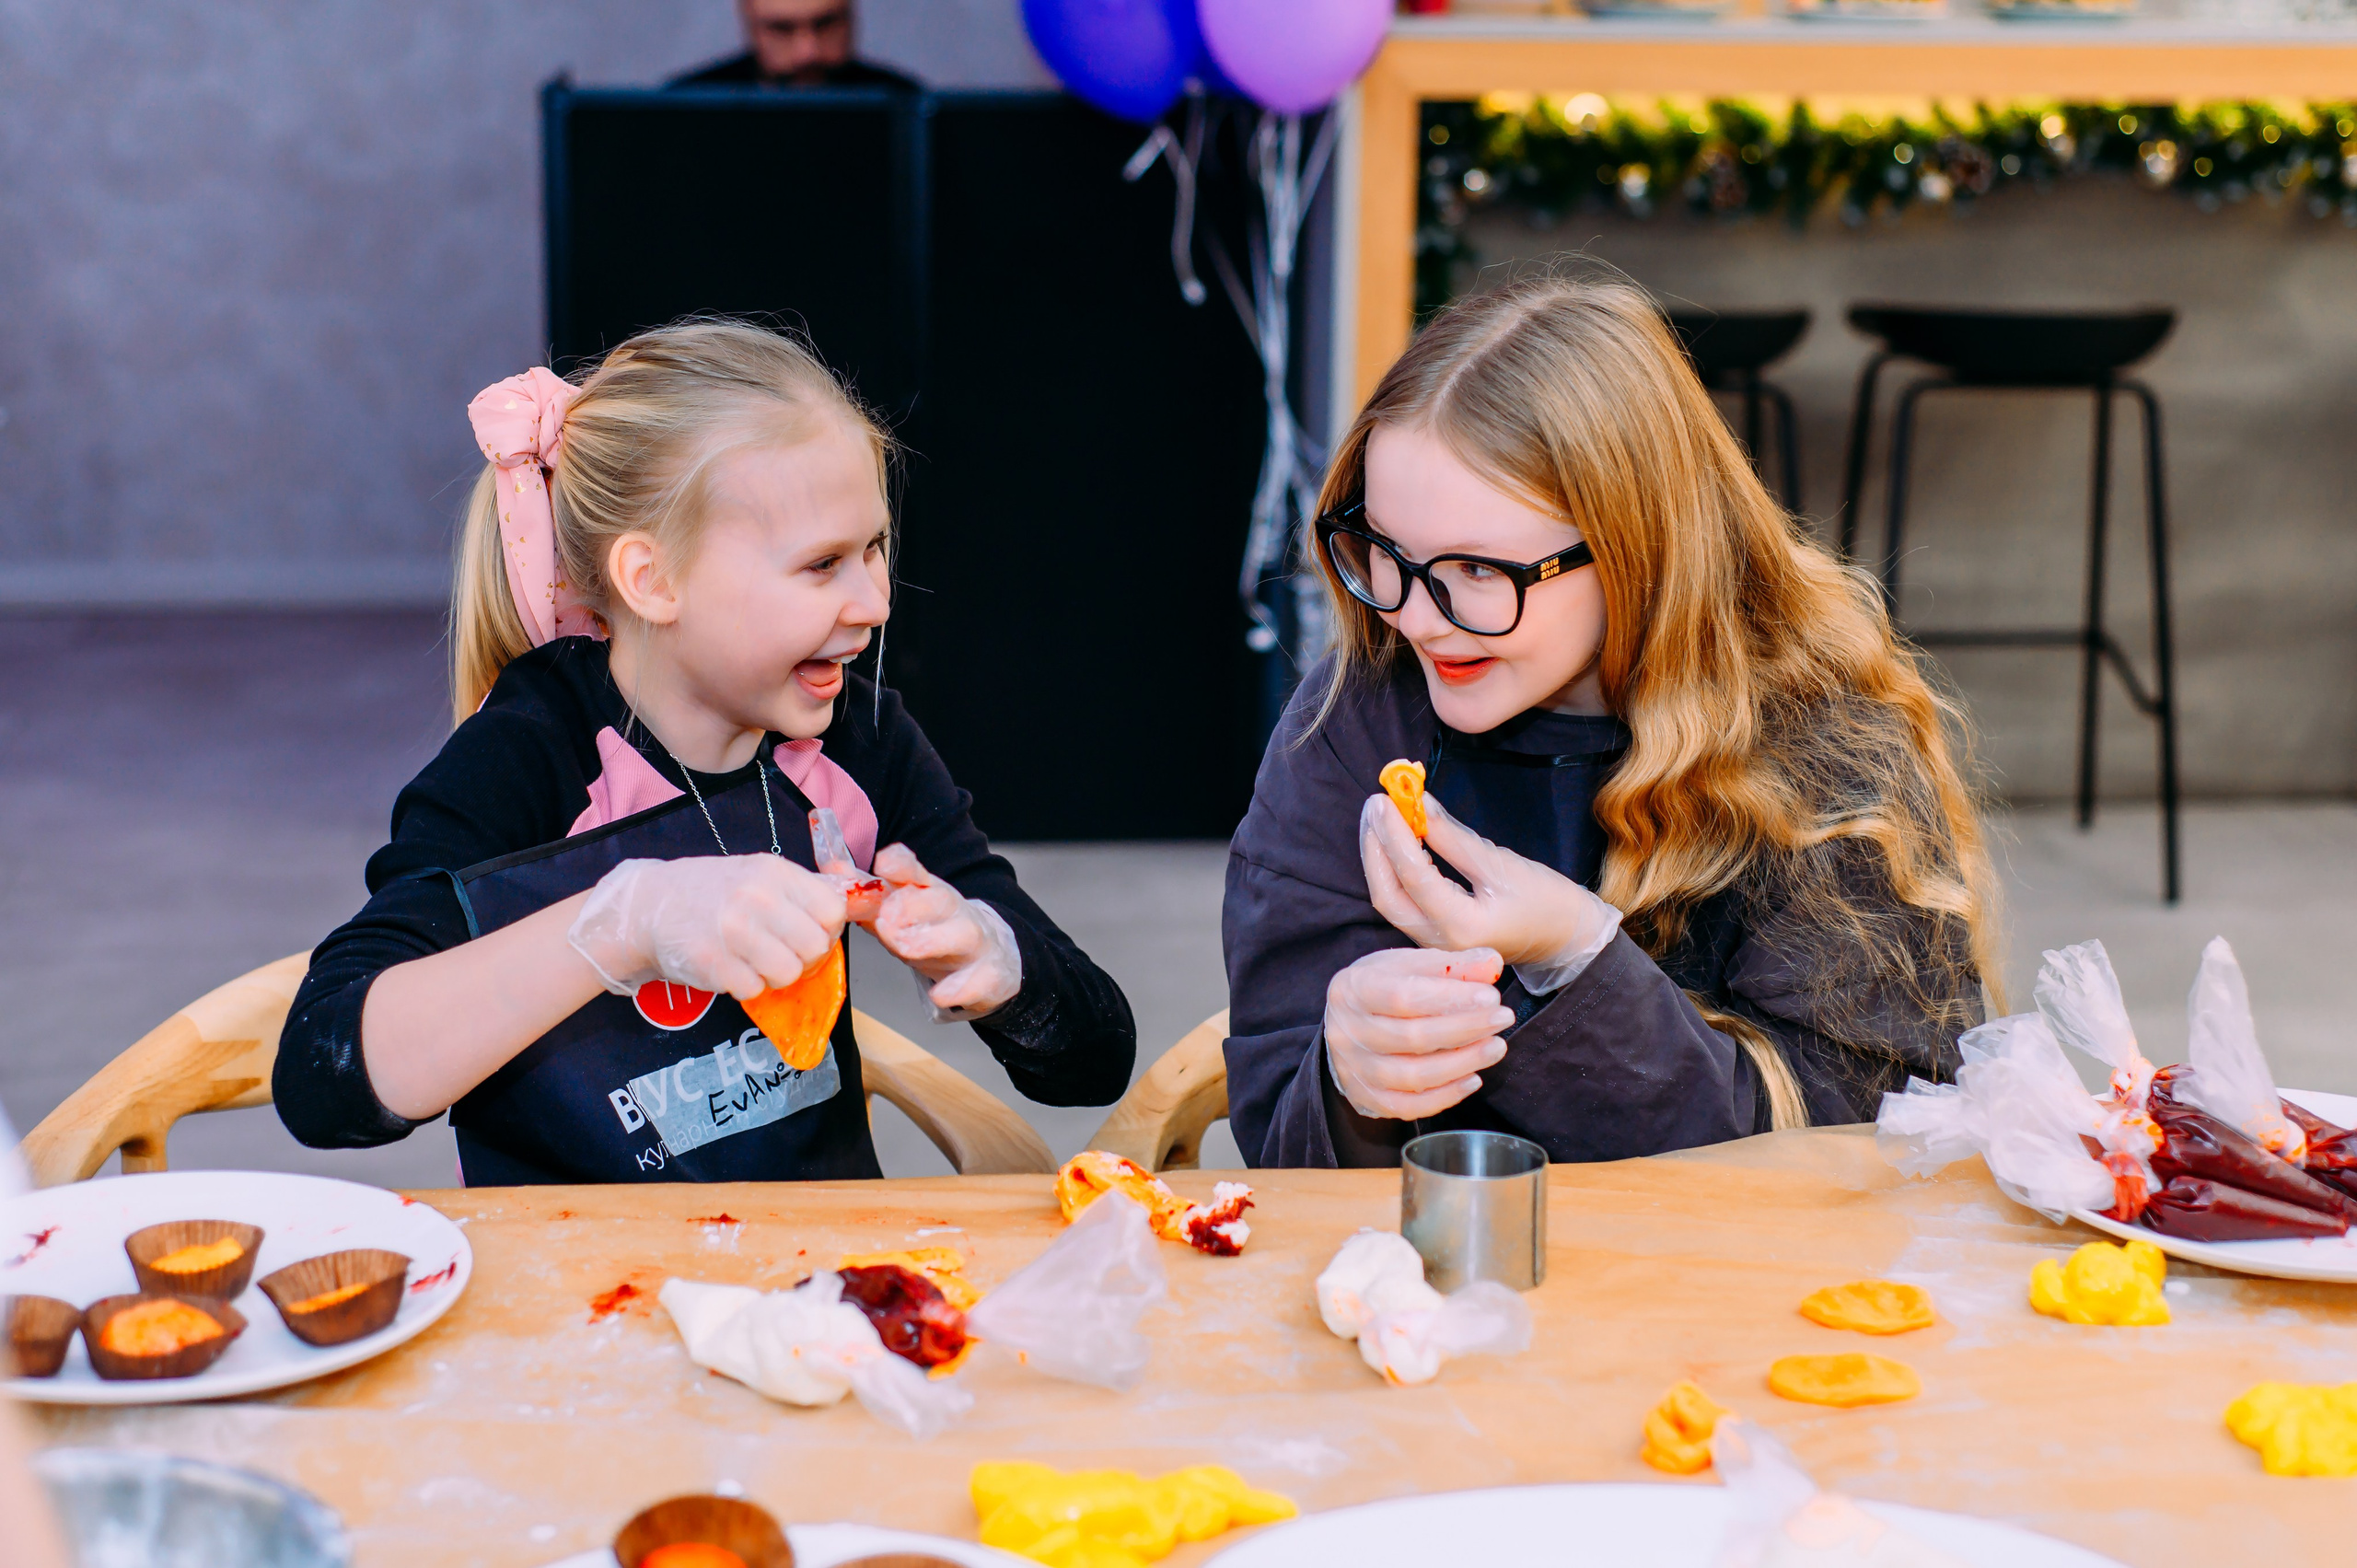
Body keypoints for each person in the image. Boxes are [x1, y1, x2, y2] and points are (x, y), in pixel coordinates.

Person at [275, 321, 1132, 1183]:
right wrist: (616, 928)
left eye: (874, 548)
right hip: (574, 1262)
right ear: (653, 580)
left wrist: (996, 961)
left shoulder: (858, 743)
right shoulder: (526, 757)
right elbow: (322, 1079)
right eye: (822, 564)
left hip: (816, 1261)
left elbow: (1094, 1061)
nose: (875, 603)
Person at [1224, 275, 1997, 1169]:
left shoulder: (1819, 741)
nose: (1417, 618)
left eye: (1478, 571)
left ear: (1639, 545)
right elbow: (1279, 1139)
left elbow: (1879, 1147)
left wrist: (1576, 955)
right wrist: (1345, 1080)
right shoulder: (1355, 715)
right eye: (1386, 551)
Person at [670, 0, 921, 91]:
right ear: (749, 23)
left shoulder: (906, 107)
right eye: (782, 29)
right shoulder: (686, 110)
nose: (807, 54)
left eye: (825, 24)